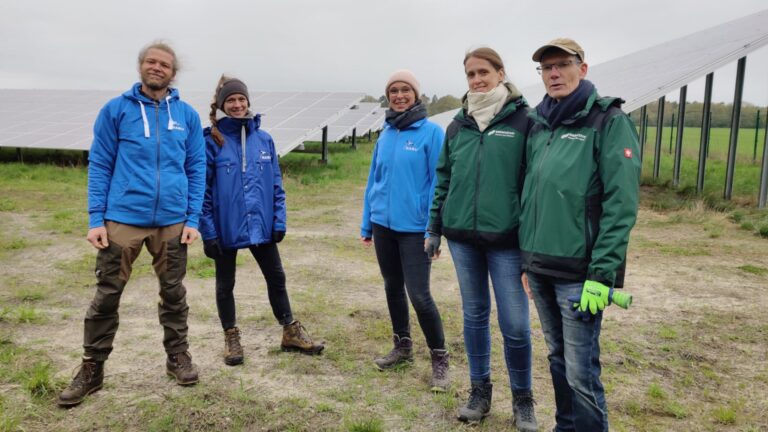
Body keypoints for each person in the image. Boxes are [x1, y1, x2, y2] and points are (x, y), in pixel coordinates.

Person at [57, 41, 206, 407]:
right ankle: (92, 368)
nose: (158, 68)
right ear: (141, 66)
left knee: (174, 292)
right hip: (122, 218)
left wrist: (193, 218)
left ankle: (178, 357)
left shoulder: (186, 115)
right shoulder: (115, 110)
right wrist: (96, 219)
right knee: (107, 294)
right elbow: (102, 164)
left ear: (174, 72)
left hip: (172, 221)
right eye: (151, 62)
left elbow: (196, 168)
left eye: (165, 64)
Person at [520, 38, 641, 431]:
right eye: (546, 68)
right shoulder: (539, 124)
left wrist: (602, 274)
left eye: (562, 65)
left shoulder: (608, 121)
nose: (553, 74)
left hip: (580, 276)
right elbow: (531, 196)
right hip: (540, 267)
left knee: (580, 372)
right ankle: (564, 426)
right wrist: (527, 261)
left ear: (582, 68)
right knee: (556, 358)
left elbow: (621, 205)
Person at [427, 47, 538, 430]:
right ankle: (479, 391)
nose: (476, 80)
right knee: (474, 317)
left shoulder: (525, 120)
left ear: (501, 73)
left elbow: (533, 184)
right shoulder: (458, 124)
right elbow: (444, 178)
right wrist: (433, 227)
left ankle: (524, 400)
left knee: (515, 324)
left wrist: (531, 242)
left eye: (483, 72)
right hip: (462, 238)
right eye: (470, 74)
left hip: (507, 241)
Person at [199, 76, 324, 365]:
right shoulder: (211, 141)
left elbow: (276, 185)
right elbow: (202, 190)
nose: (237, 104)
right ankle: (231, 338)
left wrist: (279, 221)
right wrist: (208, 232)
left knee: (276, 277)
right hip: (225, 227)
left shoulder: (264, 139)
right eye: (231, 100)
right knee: (225, 283)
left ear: (248, 102)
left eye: (241, 99)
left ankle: (290, 331)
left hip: (261, 225)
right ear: (221, 105)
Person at [360, 69, 449, 392]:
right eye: (393, 91)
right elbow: (375, 179)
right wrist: (367, 221)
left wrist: (433, 228)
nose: (399, 95)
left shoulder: (431, 133)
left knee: (420, 295)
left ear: (416, 94)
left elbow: (440, 183)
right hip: (383, 226)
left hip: (415, 230)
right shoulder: (385, 133)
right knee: (392, 287)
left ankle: (439, 358)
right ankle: (403, 346)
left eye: (405, 90)